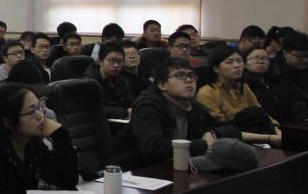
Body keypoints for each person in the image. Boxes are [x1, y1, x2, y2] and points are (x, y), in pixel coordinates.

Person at [106, 60, 248, 170]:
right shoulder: (148, 106)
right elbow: (153, 148)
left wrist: (212, 133)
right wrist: (203, 144)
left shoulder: (194, 107)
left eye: (192, 76)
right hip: (128, 171)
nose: (189, 80)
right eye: (180, 76)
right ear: (162, 85)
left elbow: (229, 128)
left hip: (169, 167)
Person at [0, 83, 78, 194]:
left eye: (40, 107)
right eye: (31, 112)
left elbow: (66, 182)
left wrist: (61, 136)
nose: (40, 116)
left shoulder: (34, 144)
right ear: (8, 122)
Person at [196, 45, 278, 134]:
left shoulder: (244, 87)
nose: (237, 65)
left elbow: (262, 114)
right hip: (230, 138)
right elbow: (221, 129)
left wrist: (278, 129)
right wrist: (269, 138)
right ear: (216, 68)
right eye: (229, 62)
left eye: (239, 61)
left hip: (256, 134)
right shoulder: (207, 93)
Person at [242, 47, 308, 123]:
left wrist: (301, 120)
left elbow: (296, 102)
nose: (261, 61)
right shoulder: (243, 84)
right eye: (256, 58)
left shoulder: (279, 80)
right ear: (244, 64)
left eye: (265, 59)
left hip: (289, 125)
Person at [83, 41, 133, 119]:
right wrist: (124, 113)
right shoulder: (90, 83)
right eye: (112, 60)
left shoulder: (122, 81)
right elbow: (94, 110)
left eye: (119, 61)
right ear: (100, 61)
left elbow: (130, 105)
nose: (116, 65)